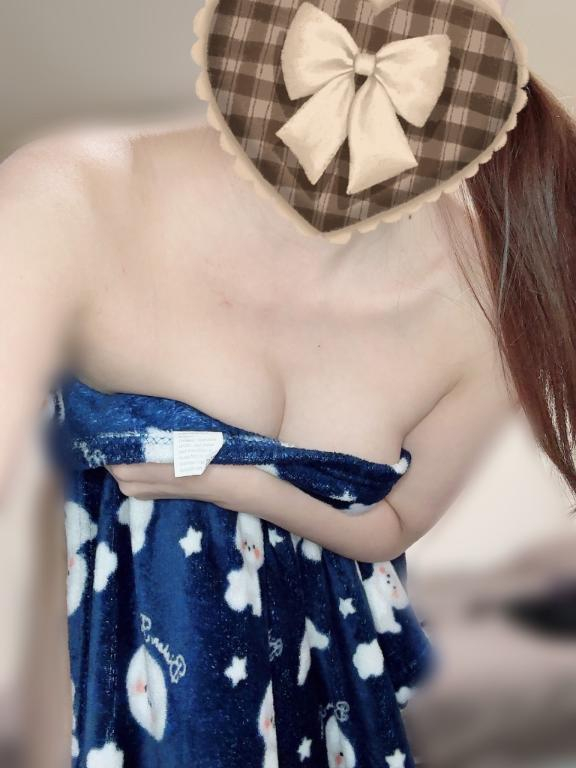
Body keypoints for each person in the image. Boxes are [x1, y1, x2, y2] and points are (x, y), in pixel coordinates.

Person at [1, 9, 575, 768]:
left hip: (334, 716)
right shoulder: (70, 198)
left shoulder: (497, 309)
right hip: (111, 718)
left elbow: (396, 524)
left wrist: (230, 482)